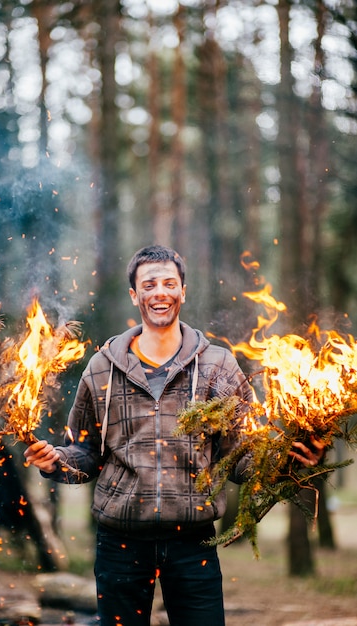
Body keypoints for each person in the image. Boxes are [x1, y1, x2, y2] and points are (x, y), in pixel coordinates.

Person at [24, 245, 323, 626]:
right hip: (121, 541)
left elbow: (241, 458)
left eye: (169, 283)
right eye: (149, 285)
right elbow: (85, 451)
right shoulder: (102, 368)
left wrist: (287, 461)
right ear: (134, 295)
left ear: (184, 291)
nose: (160, 292)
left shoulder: (218, 366)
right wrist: (57, 462)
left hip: (194, 541)